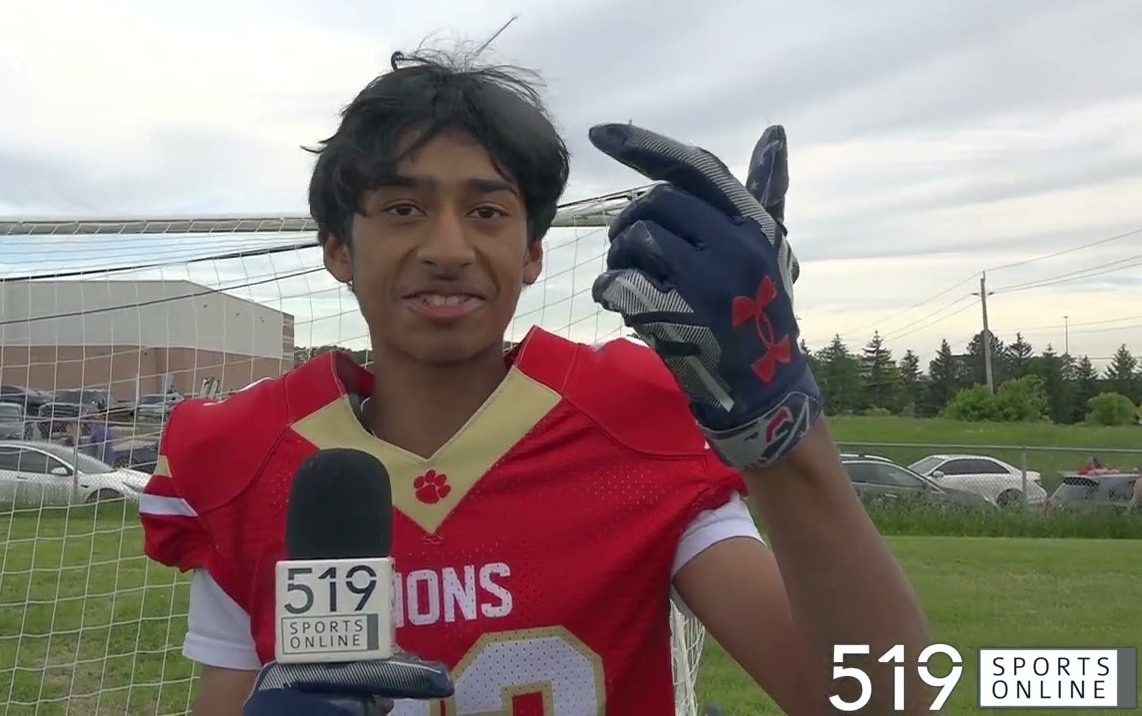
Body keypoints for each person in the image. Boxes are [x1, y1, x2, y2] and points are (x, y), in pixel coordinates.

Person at [139, 49, 929, 715]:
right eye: (403, 208)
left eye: (487, 213)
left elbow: (885, 699)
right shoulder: (246, 460)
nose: (448, 247)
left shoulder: (628, 427)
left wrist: (784, 435)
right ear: (338, 250)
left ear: (533, 254)